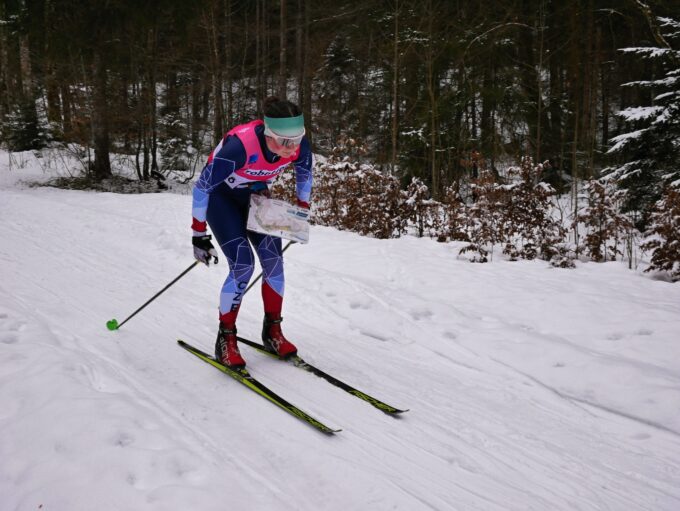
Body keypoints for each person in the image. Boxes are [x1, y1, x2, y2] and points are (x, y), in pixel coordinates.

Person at [191, 97, 313, 368]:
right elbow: (202, 188)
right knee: (243, 265)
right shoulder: (240, 147)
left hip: (256, 198)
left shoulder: (297, 145)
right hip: (222, 200)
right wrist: (199, 234)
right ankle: (226, 338)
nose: (291, 148)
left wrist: (302, 207)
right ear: (268, 133)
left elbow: (305, 173)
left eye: (296, 140)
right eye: (284, 141)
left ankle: (273, 331)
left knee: (274, 263)